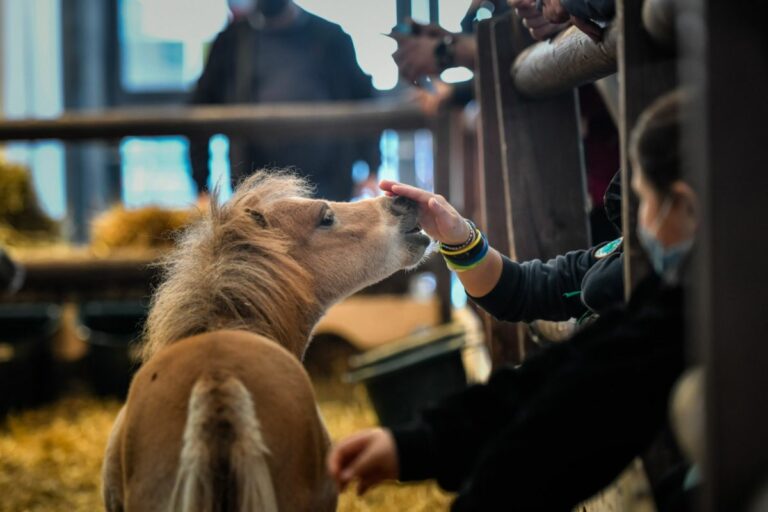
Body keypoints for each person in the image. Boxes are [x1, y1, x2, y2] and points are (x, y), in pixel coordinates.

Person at [328, 90, 695, 511]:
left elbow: (579, 401)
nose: (641, 222)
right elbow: (526, 293)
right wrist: (457, 235)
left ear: (685, 206)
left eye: (646, 200)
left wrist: (426, 447)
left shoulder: (682, 310)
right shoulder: (639, 267)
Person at [189, 0, 379, 201]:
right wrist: (202, 187)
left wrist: (372, 169)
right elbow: (200, 111)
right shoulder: (232, 41)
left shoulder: (330, 37)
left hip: (327, 184)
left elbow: (363, 100)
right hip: (255, 188)